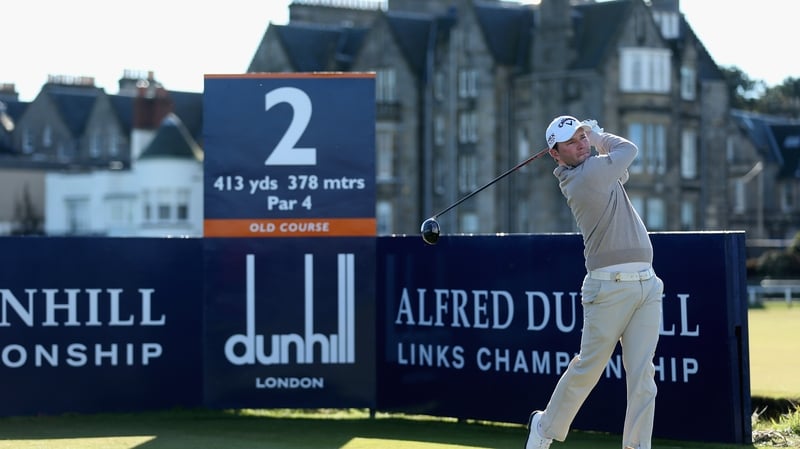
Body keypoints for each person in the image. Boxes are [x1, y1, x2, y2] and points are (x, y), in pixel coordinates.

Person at [524, 115, 664, 449]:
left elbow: (622, 171)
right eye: (571, 142)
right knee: (588, 368)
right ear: (555, 155)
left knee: (643, 375)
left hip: (647, 284)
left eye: (582, 137)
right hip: (610, 288)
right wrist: (600, 134)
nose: (581, 144)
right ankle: (544, 427)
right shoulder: (585, 177)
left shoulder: (595, 169)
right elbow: (628, 150)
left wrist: (594, 140)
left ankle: (636, 446)